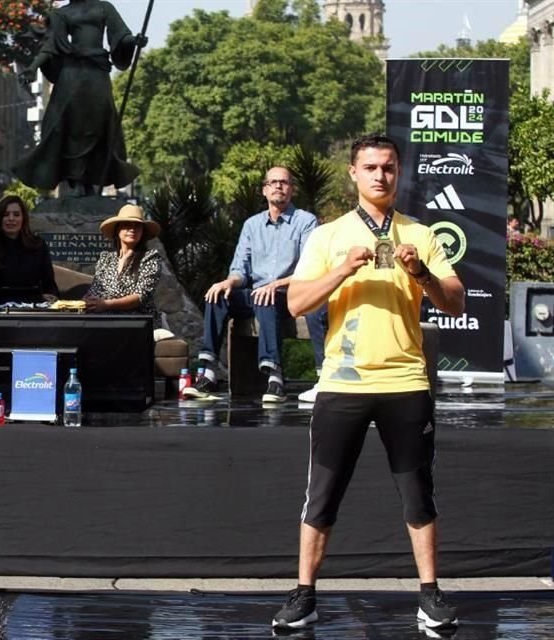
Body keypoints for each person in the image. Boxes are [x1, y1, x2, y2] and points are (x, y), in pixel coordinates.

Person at [272, 134, 465, 631]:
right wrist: (343, 268)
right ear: (353, 174)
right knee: (323, 493)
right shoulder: (329, 235)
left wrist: (420, 272)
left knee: (418, 493)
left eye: (388, 167)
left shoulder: (420, 235)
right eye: (371, 167)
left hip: (405, 380)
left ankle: (429, 595)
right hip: (343, 381)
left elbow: (457, 302)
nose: (380, 175)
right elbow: (296, 304)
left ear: (398, 173)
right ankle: (304, 594)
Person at [184, 167, 327, 404]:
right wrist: (228, 281)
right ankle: (207, 372)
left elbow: (309, 269)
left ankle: (275, 378)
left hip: (290, 294)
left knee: (266, 297)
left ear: (292, 189)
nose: (278, 186)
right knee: (217, 295)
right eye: (273, 182)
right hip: (258, 294)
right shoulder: (252, 225)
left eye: (283, 182)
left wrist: (275, 285)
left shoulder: (305, 221)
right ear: (265, 189)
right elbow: (240, 268)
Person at [13, 0, 147, 196]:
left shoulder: (104, 7)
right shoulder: (61, 14)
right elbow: (51, 45)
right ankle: (75, 182)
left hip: (96, 71)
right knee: (71, 125)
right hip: (71, 73)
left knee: (99, 122)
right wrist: (33, 68)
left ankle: (91, 179)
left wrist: (133, 42)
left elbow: (120, 35)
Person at [83, 204, 162, 327]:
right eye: (127, 225)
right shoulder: (106, 259)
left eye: (137, 226)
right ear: (117, 230)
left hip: (138, 322)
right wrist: (87, 301)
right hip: (104, 320)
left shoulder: (150, 258)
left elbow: (140, 296)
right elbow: (96, 290)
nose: (132, 229)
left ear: (143, 232)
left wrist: (106, 304)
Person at [0, 196, 59, 304]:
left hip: (37, 306)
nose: (11, 219)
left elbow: (49, 283)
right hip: (4, 308)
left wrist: (52, 296)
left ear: (23, 219)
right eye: (6, 214)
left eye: (16, 214)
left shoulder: (38, 245)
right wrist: (36, 298)